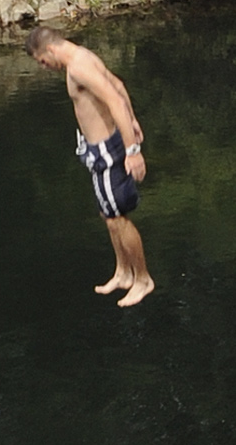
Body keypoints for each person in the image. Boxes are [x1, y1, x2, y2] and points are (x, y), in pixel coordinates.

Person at [24, 26, 155, 305]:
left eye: (41, 61)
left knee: (118, 217)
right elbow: (117, 84)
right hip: (99, 152)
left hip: (109, 152)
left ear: (50, 49)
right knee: (107, 214)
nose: (44, 67)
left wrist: (133, 151)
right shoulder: (82, 57)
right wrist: (132, 122)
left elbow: (114, 100)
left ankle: (142, 279)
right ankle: (123, 272)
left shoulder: (79, 68)